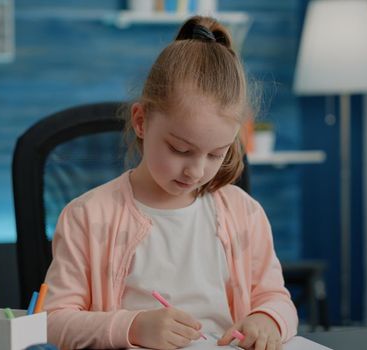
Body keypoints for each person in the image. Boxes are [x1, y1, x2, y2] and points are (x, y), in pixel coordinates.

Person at [42, 15, 298, 350]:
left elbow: (277, 300)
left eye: (215, 154)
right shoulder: (88, 217)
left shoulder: (244, 214)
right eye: (180, 149)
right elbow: (53, 321)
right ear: (141, 121)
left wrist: (268, 320)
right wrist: (132, 327)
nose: (195, 171)